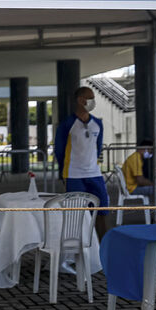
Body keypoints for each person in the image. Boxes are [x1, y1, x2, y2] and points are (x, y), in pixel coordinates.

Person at [54, 87, 109, 215]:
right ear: (80, 100)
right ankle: (82, 235)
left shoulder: (97, 123)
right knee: (77, 214)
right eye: (90, 98)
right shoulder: (67, 124)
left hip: (94, 173)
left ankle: (102, 236)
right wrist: (64, 170)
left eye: (93, 98)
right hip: (74, 175)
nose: (93, 101)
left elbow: (98, 147)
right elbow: (59, 150)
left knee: (102, 211)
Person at [121, 138, 156, 204]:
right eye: (150, 151)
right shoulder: (136, 159)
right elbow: (141, 181)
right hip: (132, 189)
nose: (150, 153)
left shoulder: (136, 157)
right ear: (145, 148)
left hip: (130, 187)